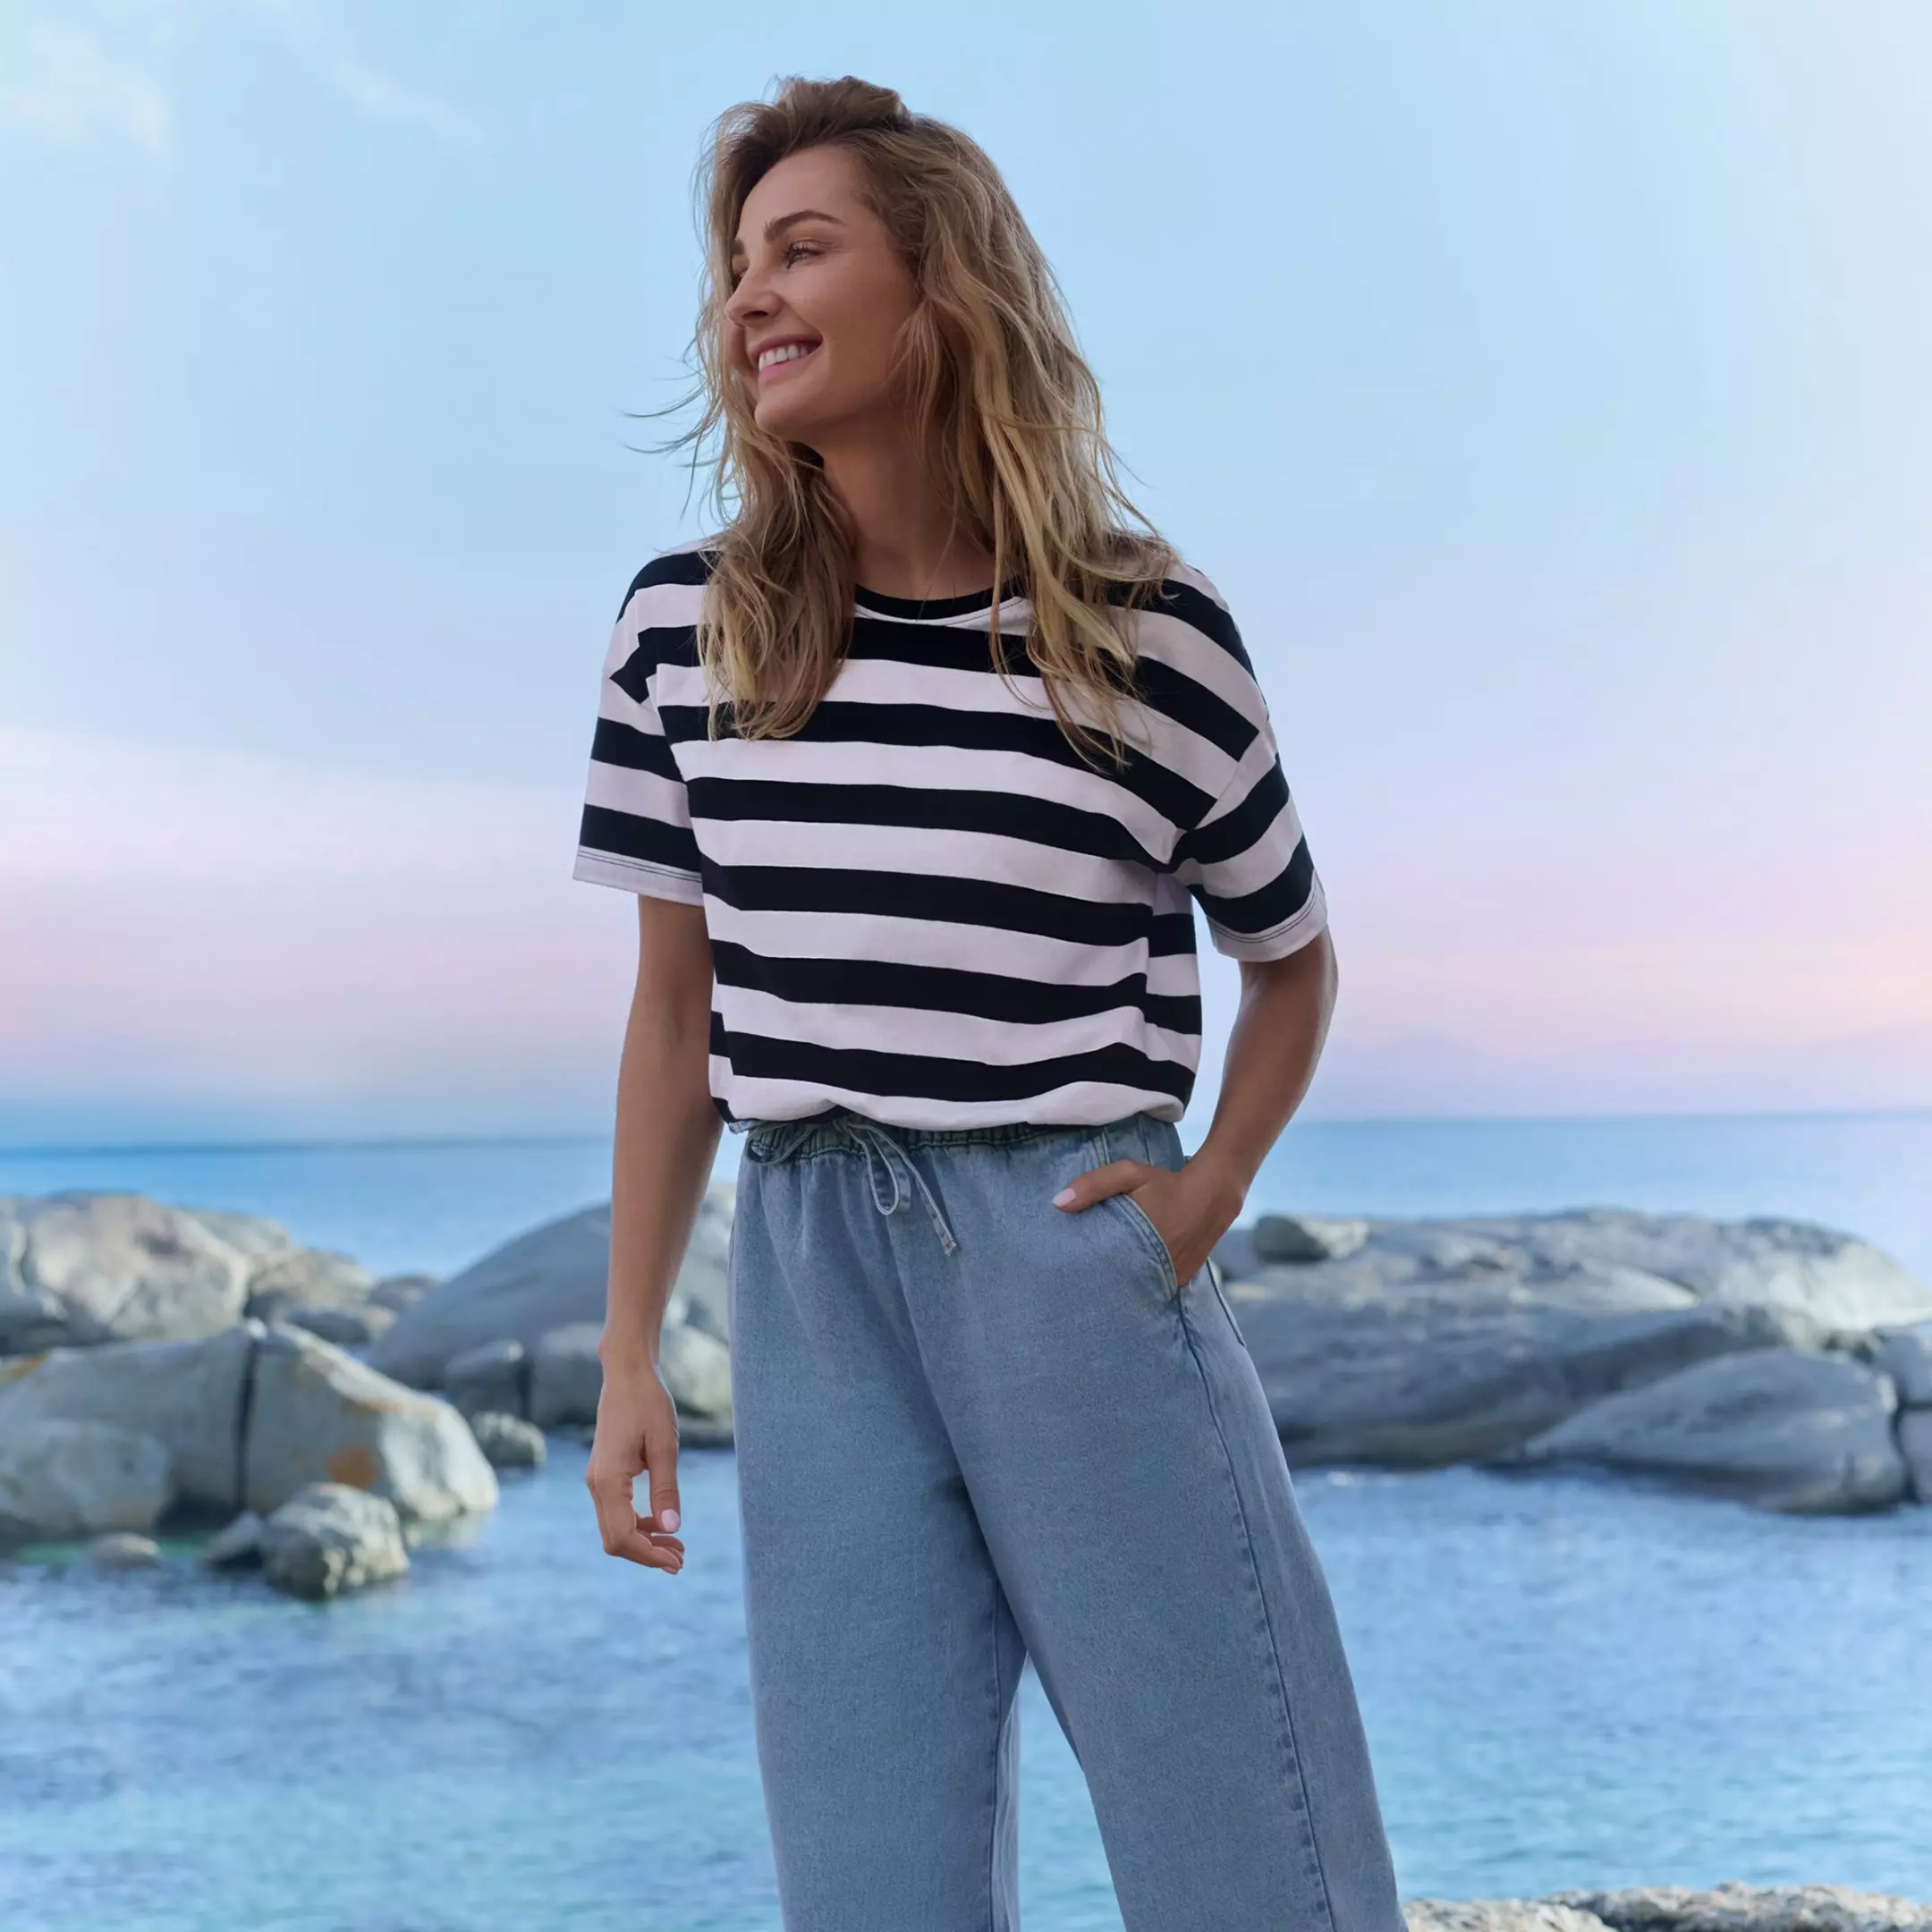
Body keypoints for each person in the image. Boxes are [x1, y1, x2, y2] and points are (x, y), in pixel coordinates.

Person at [573, 72, 1405, 1932]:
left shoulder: (1143, 632)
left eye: (802, 248)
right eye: (734, 267)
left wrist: (1207, 1192)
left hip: (1066, 1242)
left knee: (1245, 1843)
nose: (748, 299)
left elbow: (1294, 953)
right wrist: (632, 1345)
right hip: (805, 1266)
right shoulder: (678, 631)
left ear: (940, 284)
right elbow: (674, 1014)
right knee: (871, 1873)